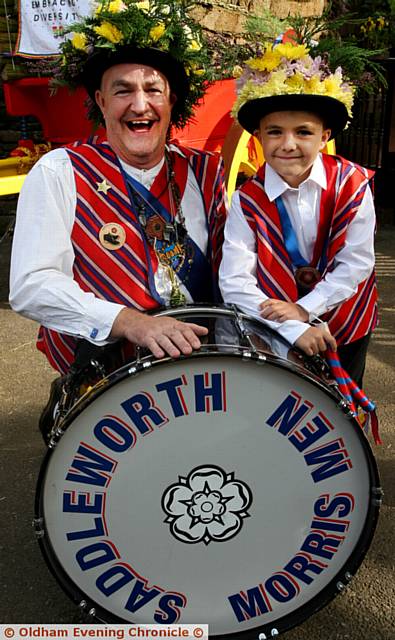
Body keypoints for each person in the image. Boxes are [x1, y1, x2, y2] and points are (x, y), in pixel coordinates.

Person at [9, 0, 227, 439]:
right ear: (101, 102)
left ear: (172, 102)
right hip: (108, 382)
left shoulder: (207, 172)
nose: (139, 104)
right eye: (123, 90)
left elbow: (235, 275)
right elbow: (31, 286)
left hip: (204, 378)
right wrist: (132, 322)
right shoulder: (59, 171)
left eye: (153, 89)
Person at [219, 42, 377, 387]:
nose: (288, 144)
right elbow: (234, 281)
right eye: (274, 131)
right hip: (276, 325)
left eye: (303, 132)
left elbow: (357, 263)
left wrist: (307, 309)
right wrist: (291, 326)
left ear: (325, 136)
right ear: (258, 136)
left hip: (345, 318)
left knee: (345, 406)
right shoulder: (248, 199)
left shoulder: (353, 185)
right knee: (289, 407)